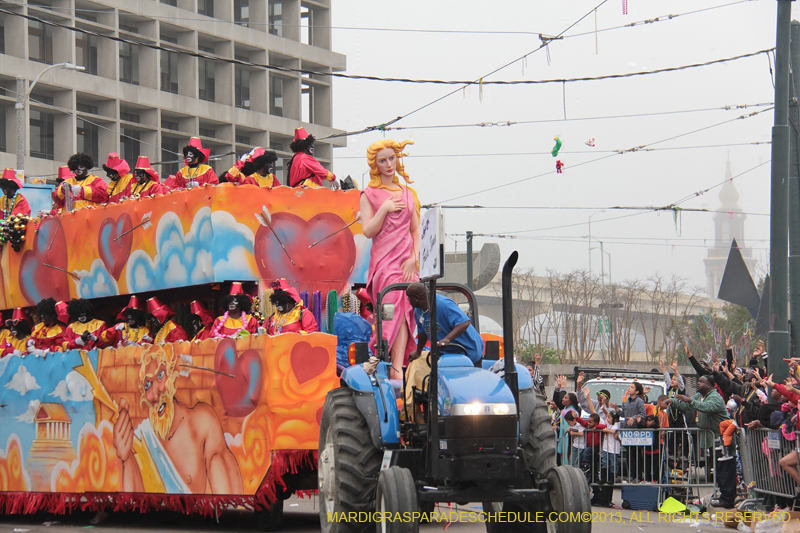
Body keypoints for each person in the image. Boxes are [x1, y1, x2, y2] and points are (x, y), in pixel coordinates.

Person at [113, 345, 243, 493]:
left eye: (160, 376)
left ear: (172, 375)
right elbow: (134, 498)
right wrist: (126, 458)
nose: (155, 394)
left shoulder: (201, 422)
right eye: (148, 384)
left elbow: (228, 491)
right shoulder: (142, 438)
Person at [361, 139, 421, 379]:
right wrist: (384, 208)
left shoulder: (408, 193)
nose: (388, 164)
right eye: (382, 160)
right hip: (385, 264)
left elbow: (415, 230)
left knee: (407, 309)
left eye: (392, 159)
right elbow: (368, 230)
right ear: (375, 165)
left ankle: (398, 366)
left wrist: (413, 258)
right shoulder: (369, 194)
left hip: (406, 263)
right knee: (391, 306)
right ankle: (389, 364)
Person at [401, 283, 484, 423]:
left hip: (468, 353)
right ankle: (432, 419)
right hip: (445, 355)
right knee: (438, 387)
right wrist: (418, 352)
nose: (408, 300)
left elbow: (464, 322)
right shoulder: (418, 312)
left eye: (409, 296)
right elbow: (422, 333)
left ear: (418, 297)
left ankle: (469, 420)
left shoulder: (443, 304)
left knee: (465, 393)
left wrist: (447, 339)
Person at [671, 374, 736, 508]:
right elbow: (687, 406)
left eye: (702, 381)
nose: (698, 383)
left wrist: (690, 400)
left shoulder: (715, 397)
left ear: (709, 385)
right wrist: (672, 402)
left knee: (725, 470)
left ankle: (728, 499)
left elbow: (707, 407)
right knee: (717, 470)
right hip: (712, 440)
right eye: (698, 381)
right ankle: (722, 496)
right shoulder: (700, 396)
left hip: (723, 440)